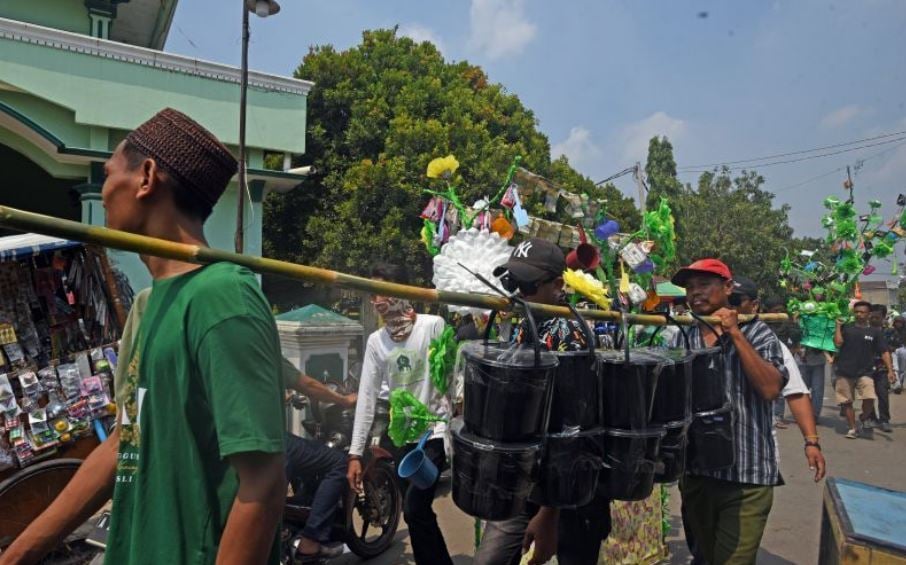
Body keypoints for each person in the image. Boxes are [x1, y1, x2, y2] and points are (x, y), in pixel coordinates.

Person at [2, 108, 287, 565]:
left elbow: (263, 483)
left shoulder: (222, 298)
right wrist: (17, 555)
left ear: (147, 177)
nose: (105, 187)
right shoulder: (155, 305)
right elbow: (124, 441)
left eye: (109, 172)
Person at [474, 238, 611, 565]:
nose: (518, 291)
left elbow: (574, 432)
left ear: (558, 285)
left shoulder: (569, 333)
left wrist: (550, 513)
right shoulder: (530, 322)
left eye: (528, 284)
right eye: (512, 282)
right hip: (529, 472)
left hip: (570, 485)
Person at [671, 259, 787, 565]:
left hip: (746, 478)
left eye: (704, 285)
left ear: (727, 288)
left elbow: (771, 389)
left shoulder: (758, 333)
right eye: (690, 287)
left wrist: (736, 334)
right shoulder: (682, 336)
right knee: (705, 558)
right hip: (697, 474)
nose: (695, 293)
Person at [346, 263, 453, 565]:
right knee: (417, 512)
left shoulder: (433, 326)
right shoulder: (376, 341)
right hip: (402, 436)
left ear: (401, 292)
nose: (376, 300)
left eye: (382, 292)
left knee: (415, 509)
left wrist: (449, 415)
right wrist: (355, 453)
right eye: (372, 294)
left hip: (433, 433)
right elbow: (367, 397)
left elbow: (450, 377)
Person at [731, 277, 825, 482]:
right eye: (725, 300)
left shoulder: (770, 343)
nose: (729, 307)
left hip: (751, 460)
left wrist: (811, 441)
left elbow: (796, 393)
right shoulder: (694, 337)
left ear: (754, 306)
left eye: (736, 301)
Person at [281, 358, 357, 560]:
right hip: (273, 442)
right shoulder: (264, 348)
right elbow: (309, 385)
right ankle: (311, 541)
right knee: (339, 462)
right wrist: (345, 400)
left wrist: (285, 397)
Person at [834, 301, 894, 439]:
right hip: (845, 371)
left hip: (865, 372)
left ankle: (863, 417)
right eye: (856, 312)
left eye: (862, 312)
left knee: (869, 398)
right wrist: (838, 326)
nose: (859, 314)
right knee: (846, 402)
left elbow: (884, 352)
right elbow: (837, 343)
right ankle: (853, 428)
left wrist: (890, 370)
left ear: (868, 314)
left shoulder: (875, 332)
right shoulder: (847, 328)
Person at [868, 305, 894, 432]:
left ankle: (884, 420)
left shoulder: (888, 332)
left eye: (877, 317)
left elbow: (889, 350)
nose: (874, 319)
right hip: (866, 368)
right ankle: (871, 418)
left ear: (883, 318)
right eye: (871, 317)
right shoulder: (864, 331)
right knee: (868, 395)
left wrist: (891, 370)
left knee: (883, 394)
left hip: (882, 368)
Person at [888, 315, 906, 393]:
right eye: (897, 322)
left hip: (903, 349)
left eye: (900, 322)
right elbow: (886, 341)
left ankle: (900, 383)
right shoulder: (890, 331)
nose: (898, 324)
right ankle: (897, 385)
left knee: (902, 369)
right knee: (895, 368)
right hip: (893, 350)